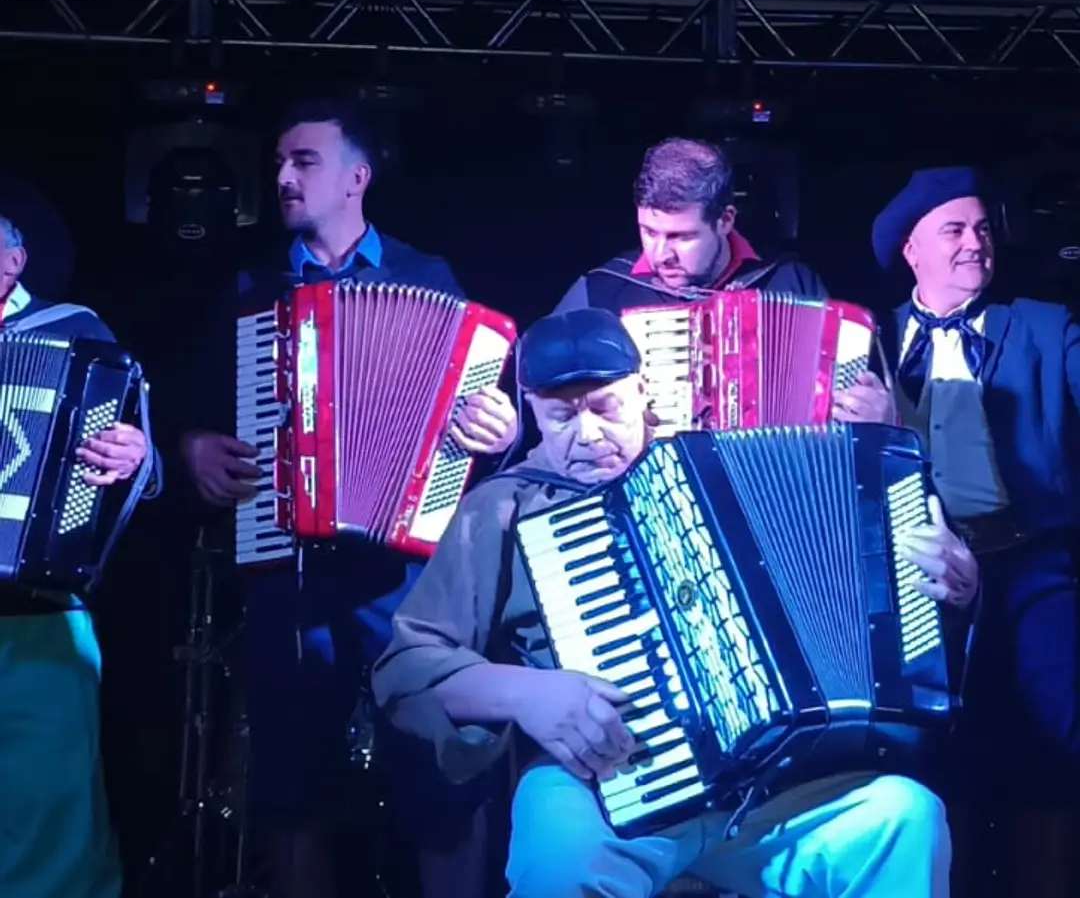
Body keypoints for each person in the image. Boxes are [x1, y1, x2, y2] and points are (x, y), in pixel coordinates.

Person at [373, 307, 977, 898]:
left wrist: (955, 585)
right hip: (602, 779)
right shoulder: (503, 506)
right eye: (561, 417)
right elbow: (407, 666)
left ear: (642, 391)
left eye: (605, 407)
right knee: (557, 864)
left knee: (905, 817)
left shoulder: (716, 470)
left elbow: (875, 596)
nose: (587, 434)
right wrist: (526, 693)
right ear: (531, 412)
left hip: (768, 785)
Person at [177, 96, 505, 898]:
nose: (283, 176)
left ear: (357, 176)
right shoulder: (254, 290)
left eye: (305, 161)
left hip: (406, 581)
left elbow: (484, 423)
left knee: (441, 785)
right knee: (294, 794)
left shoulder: (427, 279)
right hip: (288, 568)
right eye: (281, 161)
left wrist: (499, 428)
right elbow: (194, 411)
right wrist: (193, 448)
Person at [873, 166, 1080, 885]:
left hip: (1032, 563)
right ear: (912, 250)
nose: (975, 243)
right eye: (954, 229)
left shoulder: (1047, 326)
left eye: (983, 227)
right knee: (931, 749)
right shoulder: (870, 346)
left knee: (1058, 736)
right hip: (918, 572)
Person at [454, 136, 892, 458]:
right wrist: (508, 430)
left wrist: (878, 419)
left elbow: (846, 415)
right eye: (649, 232)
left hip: (775, 495)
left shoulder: (791, 284)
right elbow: (535, 396)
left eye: (681, 236)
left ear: (725, 220)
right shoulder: (602, 290)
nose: (661, 253)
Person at [0, 213, 157, 898]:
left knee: (50, 837)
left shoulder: (76, 333)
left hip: (37, 620)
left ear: (12, 262)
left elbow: (141, 466)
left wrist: (137, 455)